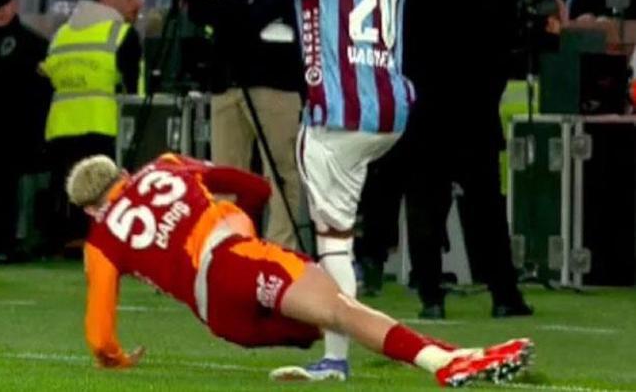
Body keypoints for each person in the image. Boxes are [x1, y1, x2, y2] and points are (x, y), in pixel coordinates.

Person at [67, 153, 533, 388]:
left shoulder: (100, 241)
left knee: (317, 327)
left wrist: (114, 356)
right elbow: (255, 186)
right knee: (341, 311)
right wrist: (243, 226)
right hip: (235, 260)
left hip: (221, 318)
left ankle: (452, 356)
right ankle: (445, 362)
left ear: (90, 209)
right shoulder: (168, 165)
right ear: (123, 173)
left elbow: (100, 335)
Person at [217, 0, 414, 380]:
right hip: (389, 113)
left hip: (337, 118)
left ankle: (336, 357)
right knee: (340, 232)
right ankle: (342, 317)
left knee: (334, 246)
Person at [394, 0, 533, 319]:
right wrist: (489, 93)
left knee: (425, 202)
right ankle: (503, 293)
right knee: (485, 205)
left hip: (424, 105)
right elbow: (501, 43)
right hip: (473, 106)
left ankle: (430, 296)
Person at [188, 0, 304, 249]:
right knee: (225, 175)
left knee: (281, 170)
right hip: (225, 81)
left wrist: (226, 6)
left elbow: (264, 11)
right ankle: (230, 247)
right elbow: (197, 11)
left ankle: (281, 249)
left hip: (274, 79)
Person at [42, 0, 143, 256]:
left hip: (61, 127)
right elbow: (134, 91)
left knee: (69, 195)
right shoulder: (122, 34)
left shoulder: (61, 34)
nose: (139, 3)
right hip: (105, 125)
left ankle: (64, 240)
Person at [0, 0, 52, 261]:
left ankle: (9, 241)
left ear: (14, 3)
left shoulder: (33, 45)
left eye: (3, 4)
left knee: (9, 188)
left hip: (18, 133)